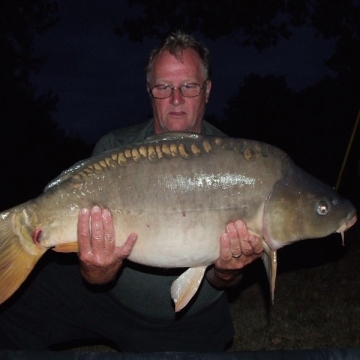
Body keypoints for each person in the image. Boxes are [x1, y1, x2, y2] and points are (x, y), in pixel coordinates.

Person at [0, 31, 263, 352]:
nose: (176, 98)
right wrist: (97, 269)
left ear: (207, 90)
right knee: (14, 310)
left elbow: (224, 282)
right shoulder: (114, 149)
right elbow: (96, 279)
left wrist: (227, 271)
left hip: (190, 317)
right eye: (164, 87)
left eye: (189, 86)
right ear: (150, 92)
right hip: (108, 302)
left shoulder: (239, 166)